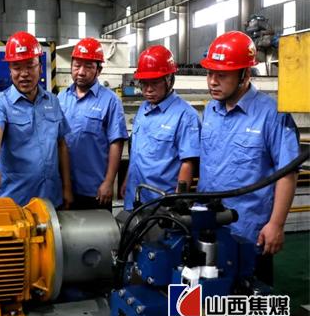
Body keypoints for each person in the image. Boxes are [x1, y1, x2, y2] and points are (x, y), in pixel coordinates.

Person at [198, 31, 299, 284]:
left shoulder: (272, 114)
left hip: (249, 233)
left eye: (222, 75)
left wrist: (276, 224)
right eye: (210, 74)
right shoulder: (210, 111)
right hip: (209, 227)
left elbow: (287, 173)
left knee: (248, 298)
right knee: (208, 298)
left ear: (245, 74)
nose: (212, 82)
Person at [0, 31, 73, 208]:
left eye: (30, 66)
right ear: (10, 70)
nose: (24, 74)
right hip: (15, 202)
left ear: (40, 67)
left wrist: (67, 187)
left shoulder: (52, 101)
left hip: (50, 200)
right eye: (17, 67)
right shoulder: (1, 104)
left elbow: (61, 145)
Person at [120, 45, 200, 210]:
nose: (148, 90)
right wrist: (128, 180)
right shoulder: (144, 108)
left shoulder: (185, 115)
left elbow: (188, 163)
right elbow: (136, 152)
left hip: (162, 204)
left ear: (169, 80)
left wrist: (178, 202)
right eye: (144, 83)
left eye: (155, 83)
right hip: (135, 197)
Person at [58, 38, 127, 209]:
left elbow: (116, 144)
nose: (81, 72)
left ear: (99, 70)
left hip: (95, 190)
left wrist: (109, 182)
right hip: (64, 187)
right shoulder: (61, 98)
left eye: (88, 67)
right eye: (77, 66)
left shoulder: (110, 101)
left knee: (98, 227)